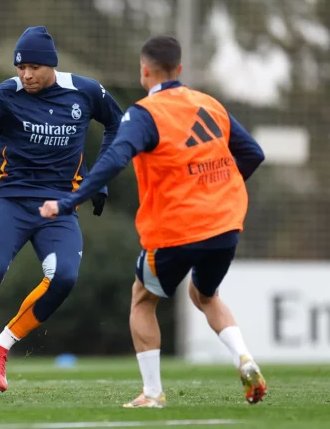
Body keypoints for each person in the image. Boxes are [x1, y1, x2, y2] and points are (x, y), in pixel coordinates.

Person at [40, 35, 267, 407]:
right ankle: (245, 358)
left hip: (177, 228)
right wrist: (217, 190)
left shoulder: (145, 114)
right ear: (179, 69)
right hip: (225, 225)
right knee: (205, 295)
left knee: (143, 299)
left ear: (145, 71)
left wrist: (70, 201)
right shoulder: (209, 104)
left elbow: (114, 160)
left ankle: (152, 393)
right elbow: (253, 154)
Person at [0, 26, 123, 397]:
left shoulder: (86, 92)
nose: (25, 74)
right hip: (13, 201)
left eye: (33, 67)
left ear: (51, 66)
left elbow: (117, 124)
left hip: (60, 207)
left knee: (63, 278)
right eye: (20, 67)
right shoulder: (6, 94)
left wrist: (100, 179)